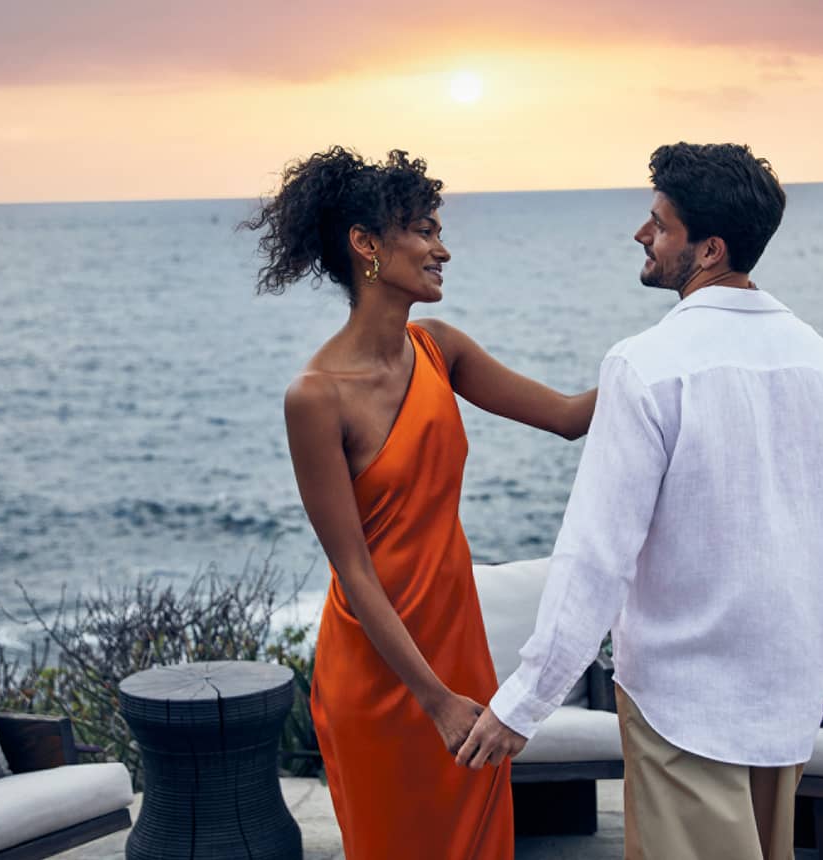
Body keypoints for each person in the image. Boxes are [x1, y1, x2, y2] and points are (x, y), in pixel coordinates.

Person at [455, 142, 823, 860]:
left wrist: (525, 701)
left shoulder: (645, 367)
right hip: (787, 697)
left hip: (680, 706)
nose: (643, 235)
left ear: (710, 249)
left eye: (660, 224)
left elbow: (596, 555)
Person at [243, 146, 596, 859]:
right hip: (381, 677)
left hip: (459, 655)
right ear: (366, 244)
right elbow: (354, 571)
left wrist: (678, 342)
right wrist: (432, 699)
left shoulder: (438, 349)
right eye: (425, 231)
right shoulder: (315, 397)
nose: (443, 250)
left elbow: (568, 417)